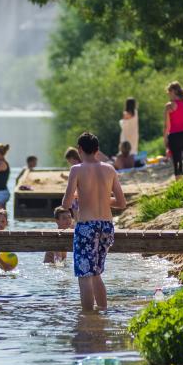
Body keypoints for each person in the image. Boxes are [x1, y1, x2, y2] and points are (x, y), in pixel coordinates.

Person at [62, 132, 126, 311]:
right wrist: (103, 199)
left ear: (79, 150)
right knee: (96, 273)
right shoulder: (109, 169)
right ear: (97, 150)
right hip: (106, 226)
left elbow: (65, 204)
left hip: (86, 227)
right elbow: (121, 203)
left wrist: (80, 196)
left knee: (84, 276)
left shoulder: (76, 169)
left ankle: (88, 321)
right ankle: (102, 314)